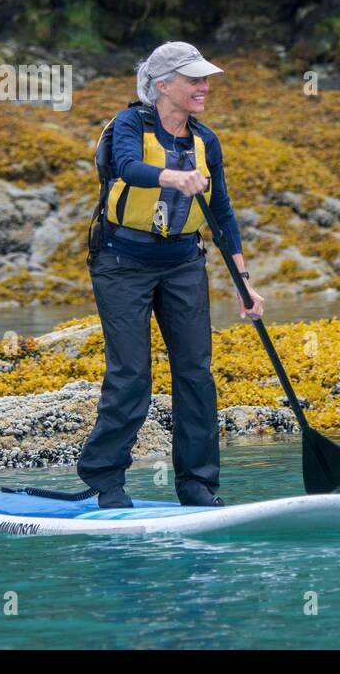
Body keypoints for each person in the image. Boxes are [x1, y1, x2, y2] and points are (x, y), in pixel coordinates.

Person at [78, 41, 264, 508]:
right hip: (121, 262)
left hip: (183, 262)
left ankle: (198, 485)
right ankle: (105, 480)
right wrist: (171, 177)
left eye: (205, 79)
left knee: (196, 373)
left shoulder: (206, 140)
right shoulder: (129, 124)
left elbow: (220, 210)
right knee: (132, 373)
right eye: (194, 80)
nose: (204, 87)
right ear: (163, 86)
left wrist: (244, 283)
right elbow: (126, 167)